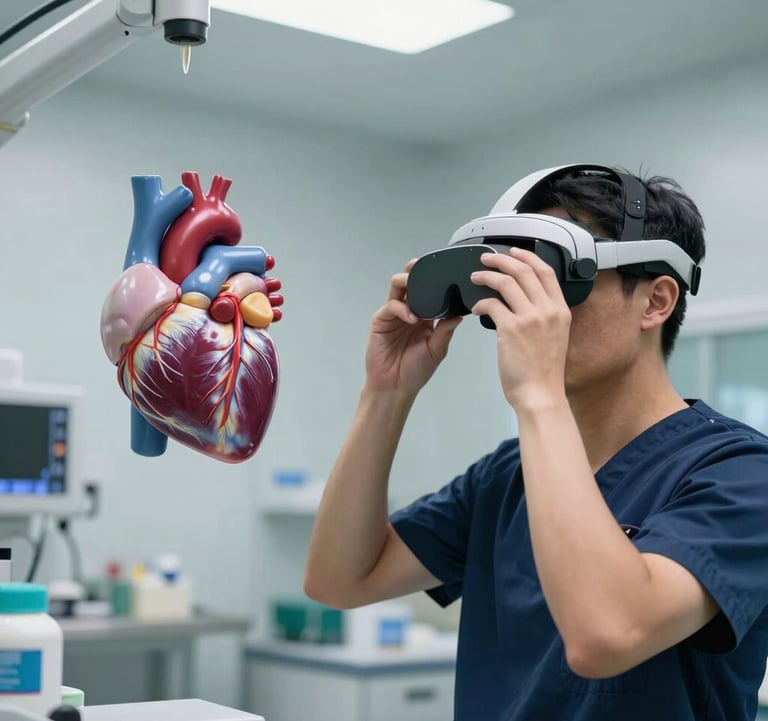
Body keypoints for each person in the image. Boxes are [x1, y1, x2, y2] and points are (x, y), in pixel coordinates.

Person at [304, 166, 768, 721]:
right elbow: (340, 579)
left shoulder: (742, 475)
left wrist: (538, 394)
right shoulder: (506, 477)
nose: (527, 312)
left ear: (655, 301)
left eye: (552, 279)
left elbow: (606, 635)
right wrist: (386, 393)